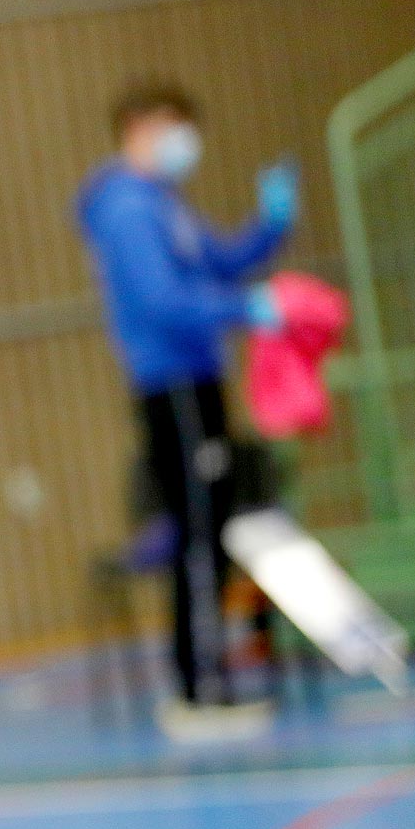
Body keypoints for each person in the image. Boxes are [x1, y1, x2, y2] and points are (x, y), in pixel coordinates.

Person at [75, 81, 296, 714]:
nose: (183, 144)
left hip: (197, 381)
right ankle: (198, 685)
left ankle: (209, 675)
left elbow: (217, 262)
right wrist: (245, 310)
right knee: (198, 530)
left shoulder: (162, 203)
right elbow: (165, 302)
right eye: (174, 128)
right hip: (171, 386)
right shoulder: (126, 209)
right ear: (141, 129)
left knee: (214, 524)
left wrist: (269, 227)